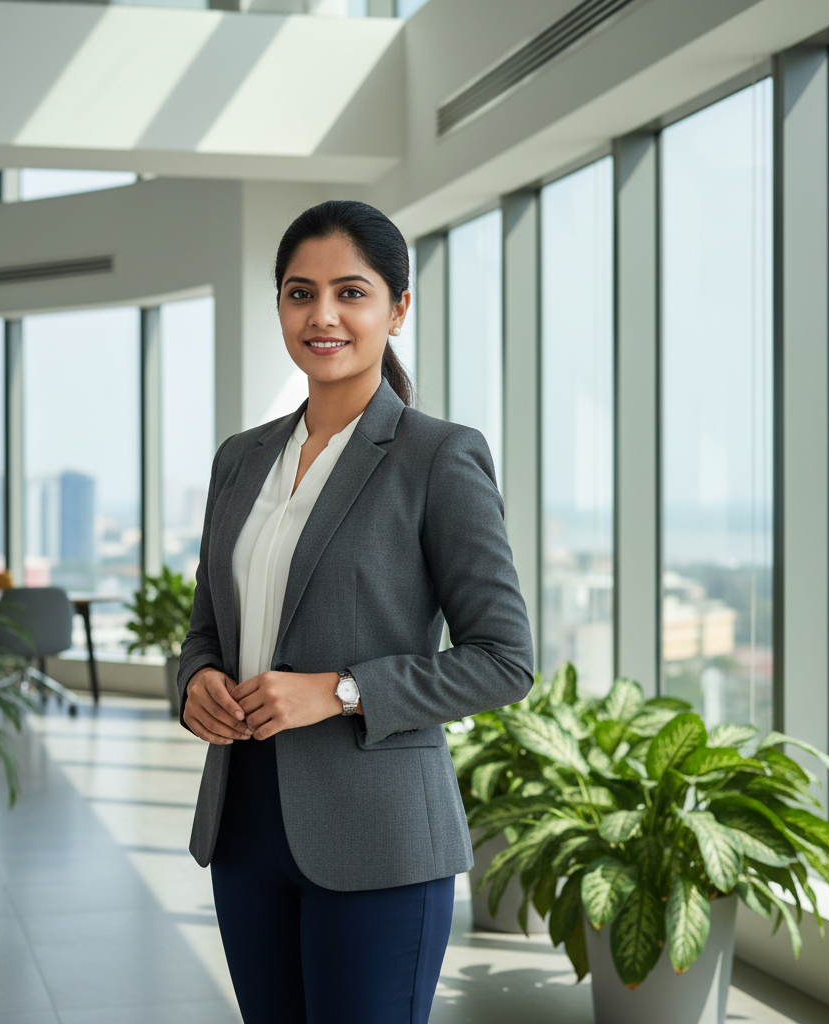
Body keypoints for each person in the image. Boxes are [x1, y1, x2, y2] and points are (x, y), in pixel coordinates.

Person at [177, 199, 534, 1024]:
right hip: (244, 826)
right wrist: (196, 678)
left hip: (379, 839)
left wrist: (337, 690)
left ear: (397, 309)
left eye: (351, 292)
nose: (323, 315)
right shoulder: (241, 460)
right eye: (300, 293)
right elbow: (207, 625)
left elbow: (504, 660)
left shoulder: (438, 457)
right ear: (279, 308)